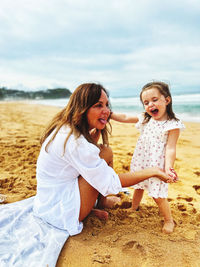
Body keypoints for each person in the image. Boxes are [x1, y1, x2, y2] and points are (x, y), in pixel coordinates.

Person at [0, 83, 175, 266]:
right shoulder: (74, 142)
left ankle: (100, 202)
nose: (106, 111)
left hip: (52, 197)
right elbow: (110, 183)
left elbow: (85, 158)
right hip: (61, 212)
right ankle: (93, 205)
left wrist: (93, 140)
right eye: (98, 105)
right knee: (101, 170)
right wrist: (152, 171)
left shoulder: (67, 129)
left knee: (105, 152)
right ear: (82, 108)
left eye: (107, 105)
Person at [111, 81, 184, 234]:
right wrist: (109, 114)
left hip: (158, 163)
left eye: (154, 100)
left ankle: (168, 220)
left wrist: (169, 168)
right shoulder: (146, 118)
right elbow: (124, 117)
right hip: (142, 159)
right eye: (146, 102)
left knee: (158, 195)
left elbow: (171, 148)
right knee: (138, 185)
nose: (150, 105)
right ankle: (134, 207)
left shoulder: (172, 124)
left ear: (167, 100)